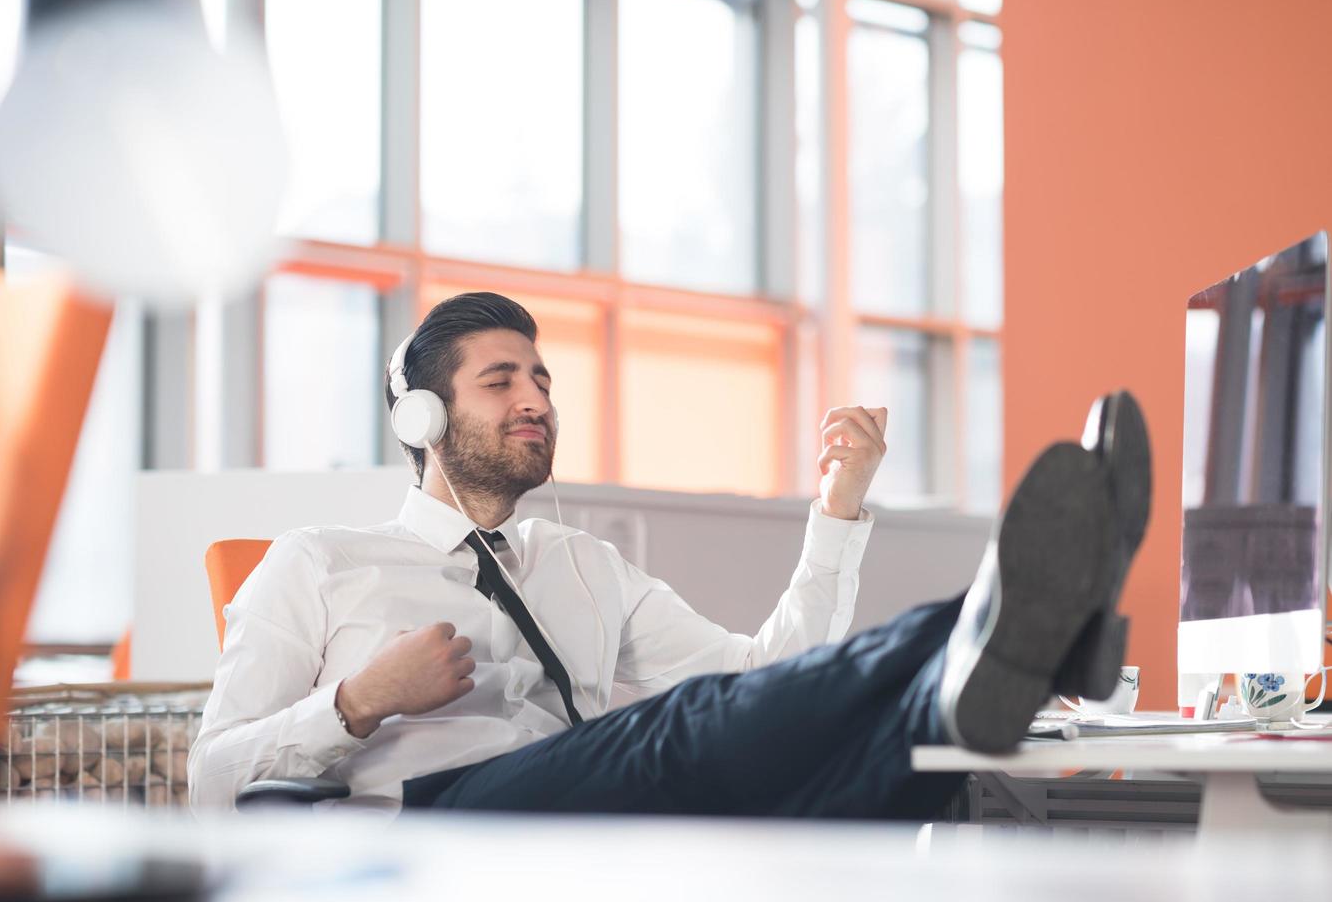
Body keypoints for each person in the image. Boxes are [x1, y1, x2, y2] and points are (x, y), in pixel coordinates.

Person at [189, 292, 1150, 818]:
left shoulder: (582, 564)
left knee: (866, 776)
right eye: (501, 381)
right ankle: (1002, 628)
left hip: (575, 812)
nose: (535, 399)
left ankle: (1004, 645)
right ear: (423, 417)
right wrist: (360, 701)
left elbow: (767, 676)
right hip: (432, 830)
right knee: (675, 733)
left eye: (541, 379)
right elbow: (209, 777)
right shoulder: (319, 562)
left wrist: (837, 509)